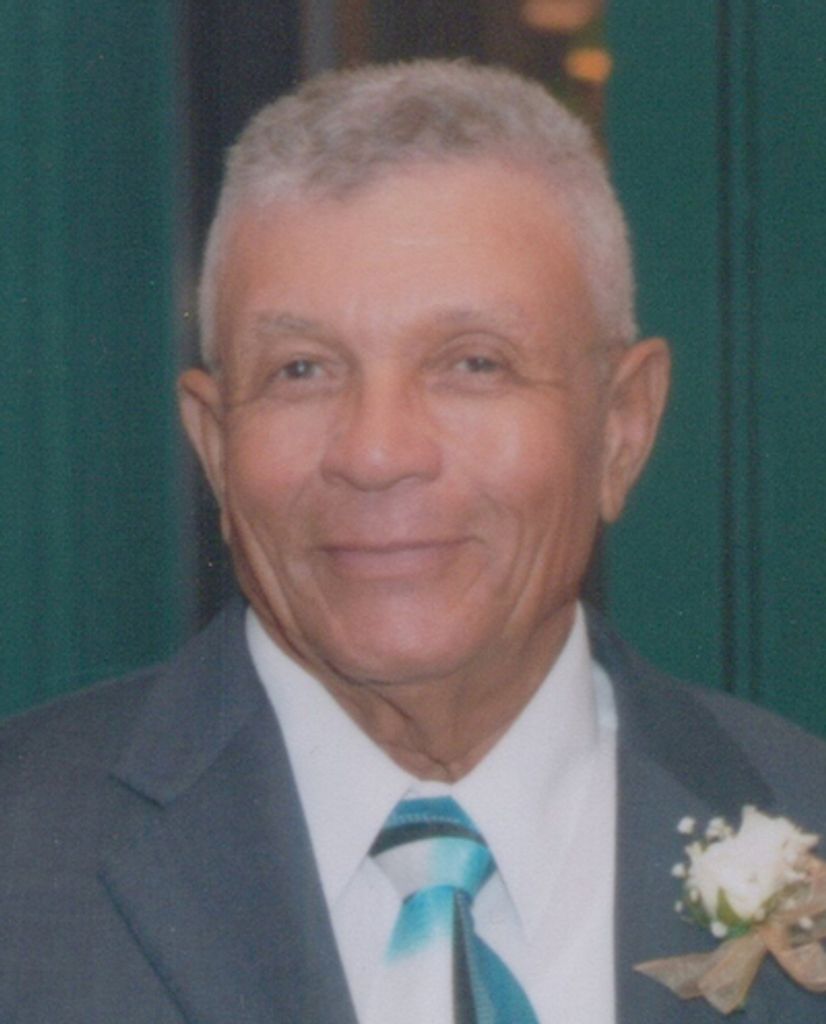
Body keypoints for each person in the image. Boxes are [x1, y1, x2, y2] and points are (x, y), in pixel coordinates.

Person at [1, 60, 824, 1024]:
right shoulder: (24, 860)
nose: (376, 451)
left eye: (473, 363)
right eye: (301, 370)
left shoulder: (803, 809)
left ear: (622, 427)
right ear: (216, 448)